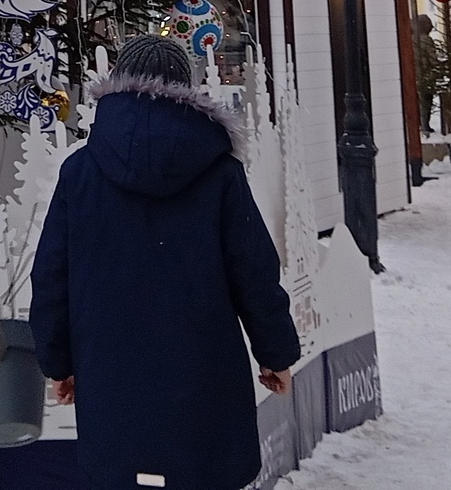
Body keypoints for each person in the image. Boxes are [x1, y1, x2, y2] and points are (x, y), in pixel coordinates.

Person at [33, 36, 302, 490]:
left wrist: (58, 361)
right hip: (202, 370)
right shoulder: (220, 173)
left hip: (110, 371)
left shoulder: (80, 172)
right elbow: (253, 270)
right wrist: (275, 352)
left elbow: (52, 274)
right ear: (190, 93)